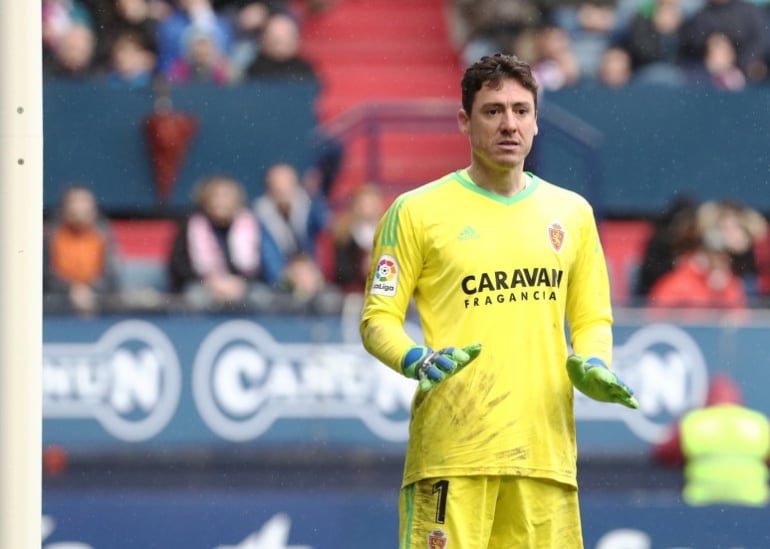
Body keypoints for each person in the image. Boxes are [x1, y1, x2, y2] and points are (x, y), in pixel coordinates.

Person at [359, 53, 638, 548]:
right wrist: (416, 358)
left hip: (545, 458)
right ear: (464, 120)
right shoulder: (416, 212)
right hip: (452, 455)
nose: (509, 124)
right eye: (492, 111)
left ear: (536, 119)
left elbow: (593, 317)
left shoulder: (572, 214)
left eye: (521, 110)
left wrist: (594, 362)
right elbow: (377, 319)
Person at [167, 174, 284, 311]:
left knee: (262, 297)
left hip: (245, 286)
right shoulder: (190, 226)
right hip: (203, 286)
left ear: (237, 202)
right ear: (205, 201)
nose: (221, 202)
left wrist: (241, 284)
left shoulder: (253, 225)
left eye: (226, 197)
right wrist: (211, 283)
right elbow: (179, 267)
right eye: (215, 197)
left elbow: (268, 266)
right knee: (194, 298)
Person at [44, 185, 121, 315]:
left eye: (84, 203)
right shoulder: (52, 236)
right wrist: (71, 289)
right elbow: (46, 274)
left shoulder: (103, 236)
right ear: (65, 209)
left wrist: (90, 290)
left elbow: (110, 275)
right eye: (75, 203)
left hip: (97, 303)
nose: (79, 209)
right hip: (58, 304)